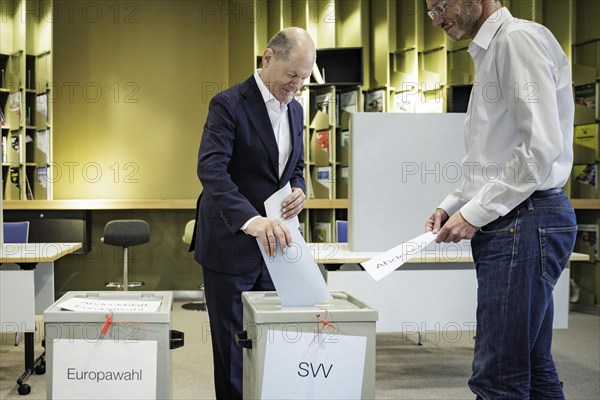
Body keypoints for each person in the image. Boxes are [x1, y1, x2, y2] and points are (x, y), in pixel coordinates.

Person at [424, 1, 577, 398]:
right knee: (531, 364)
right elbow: (493, 158)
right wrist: (454, 203)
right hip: (520, 217)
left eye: (442, 4)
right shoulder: (494, 49)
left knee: (498, 376)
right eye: (430, 11)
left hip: (524, 220)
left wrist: (474, 213)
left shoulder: (515, 41)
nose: (437, 18)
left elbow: (540, 148)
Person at [190, 27, 316, 400]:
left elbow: (295, 167)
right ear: (268, 58)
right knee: (232, 351)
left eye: (304, 78)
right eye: (291, 75)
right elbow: (211, 169)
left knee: (274, 341)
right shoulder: (228, 104)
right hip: (231, 243)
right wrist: (251, 220)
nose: (296, 85)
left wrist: (299, 191)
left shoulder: (295, 109)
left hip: (277, 248)